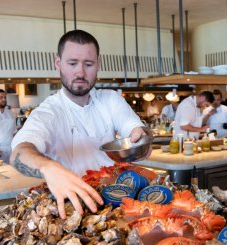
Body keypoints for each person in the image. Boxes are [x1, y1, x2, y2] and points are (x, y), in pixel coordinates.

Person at [10, 30, 149, 219]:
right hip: (72, 209)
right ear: (58, 63)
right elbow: (19, 152)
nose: (80, 72)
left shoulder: (110, 100)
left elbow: (135, 130)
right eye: (72, 63)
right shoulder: (49, 112)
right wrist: (47, 167)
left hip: (118, 202)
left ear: (98, 64)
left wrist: (141, 139)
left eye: (88, 64)